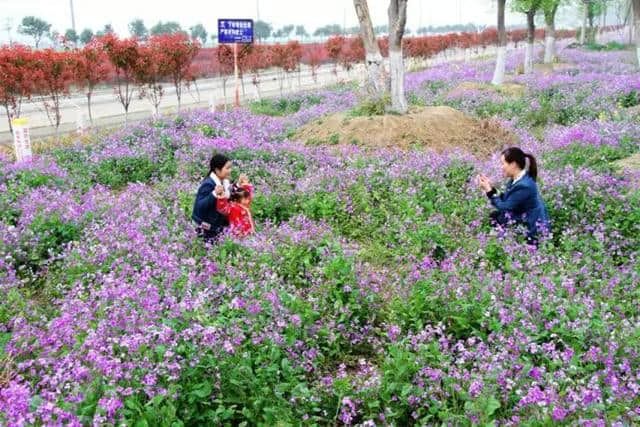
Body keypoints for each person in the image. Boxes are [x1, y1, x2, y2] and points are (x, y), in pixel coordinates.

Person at [477, 147, 550, 245]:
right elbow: (509, 199)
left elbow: (505, 207)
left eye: (503, 164)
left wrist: (488, 191)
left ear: (513, 164)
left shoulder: (524, 185)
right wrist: (491, 188)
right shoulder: (517, 179)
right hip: (523, 216)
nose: (501, 167)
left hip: (531, 228)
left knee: (497, 218)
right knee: (495, 216)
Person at [191, 153, 233, 240]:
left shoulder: (224, 182)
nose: (230, 171)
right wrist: (214, 194)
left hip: (216, 225)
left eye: (230, 168)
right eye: (227, 168)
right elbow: (200, 206)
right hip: (206, 227)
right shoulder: (208, 184)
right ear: (217, 170)